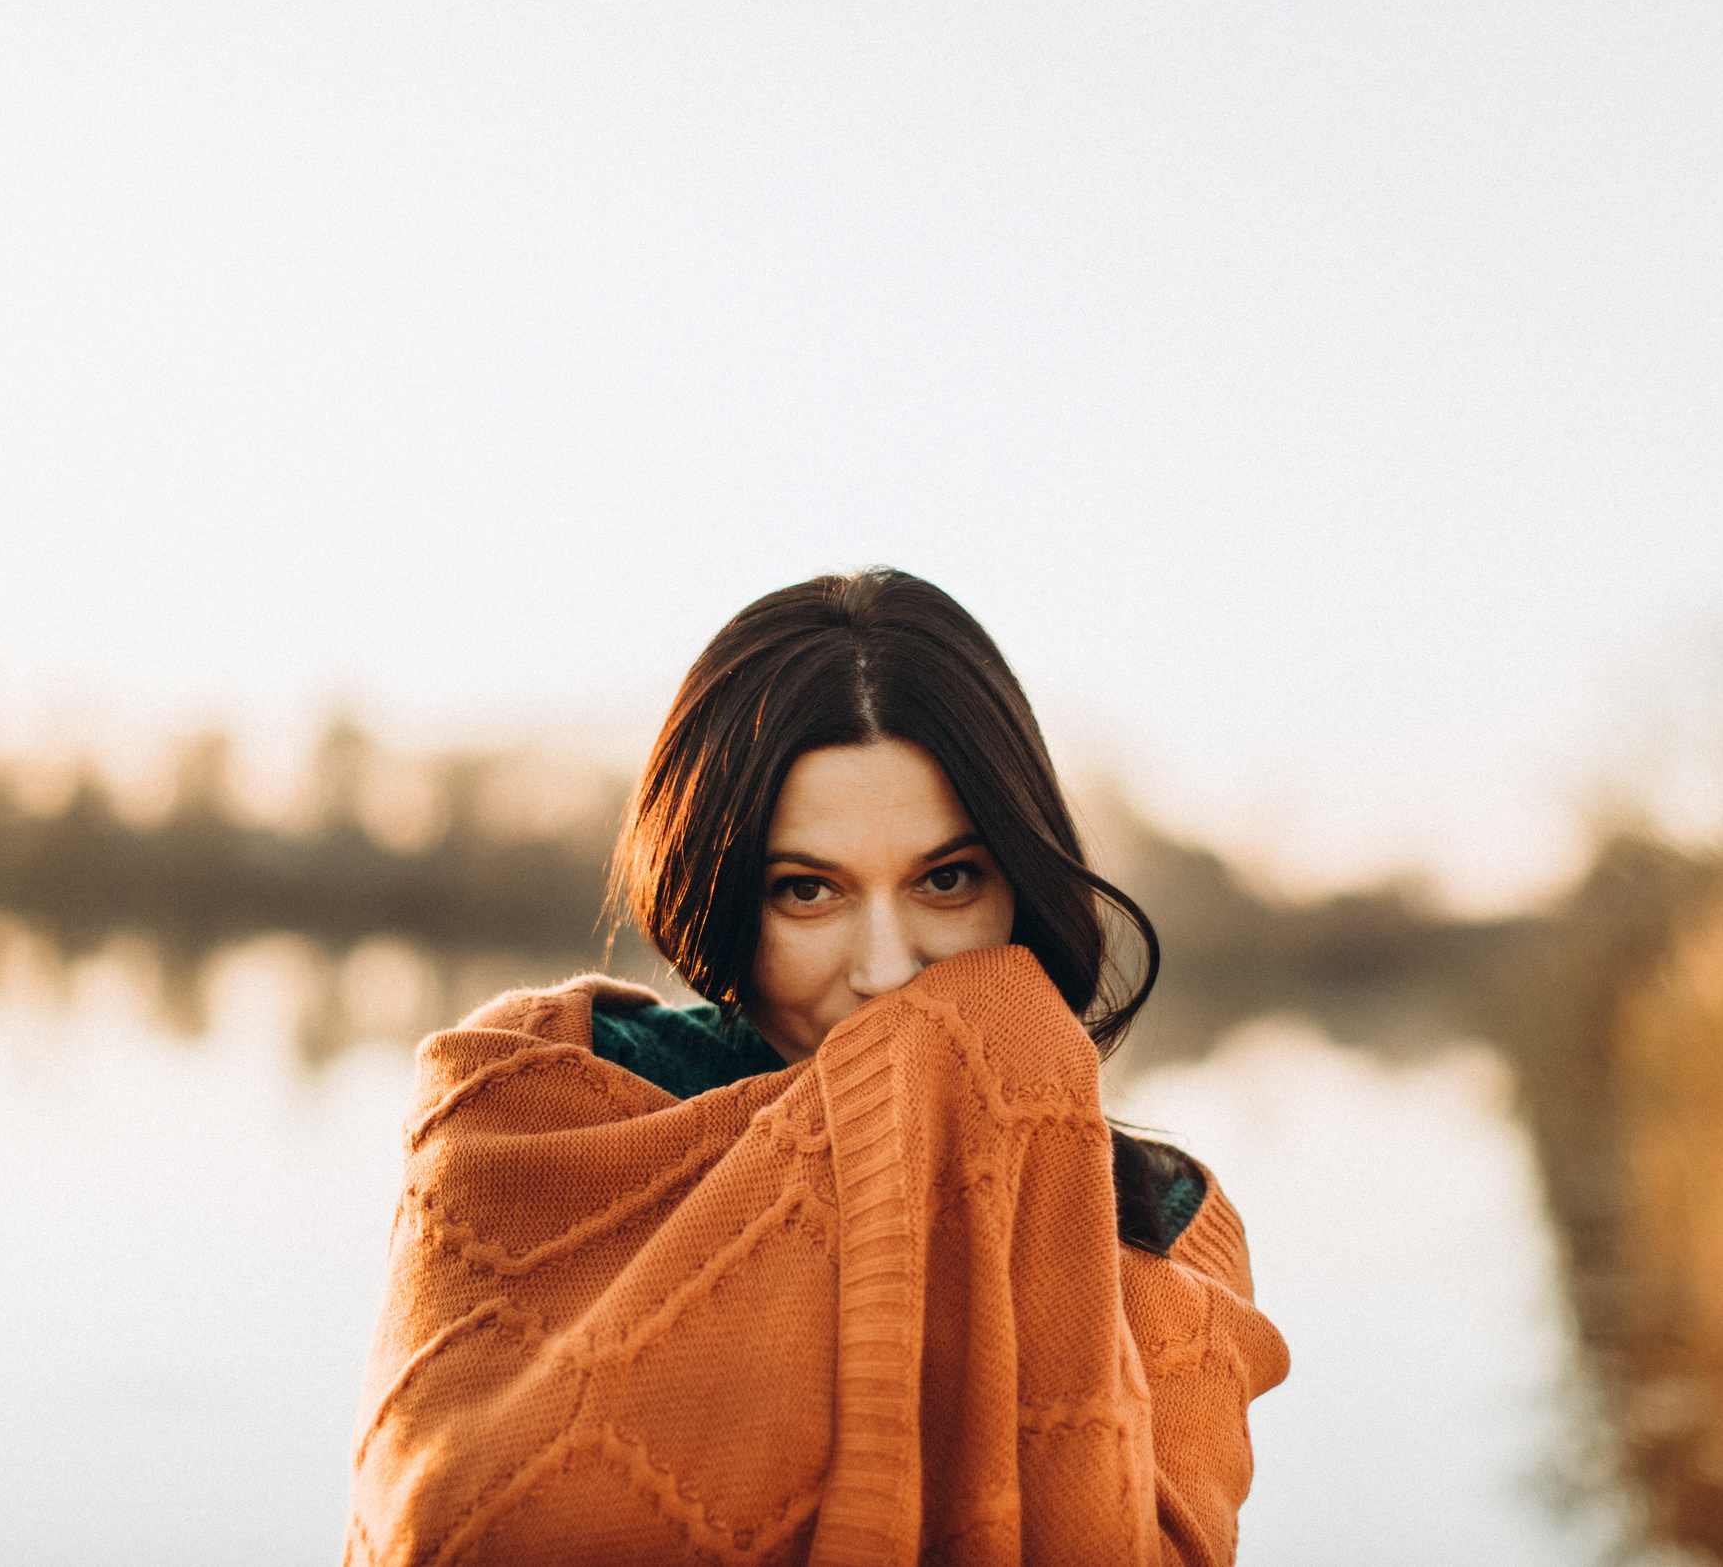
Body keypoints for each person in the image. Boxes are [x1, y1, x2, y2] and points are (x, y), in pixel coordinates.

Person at [345, 570, 1289, 1566]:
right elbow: (445, 1530)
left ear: (1022, 881)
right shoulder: (544, 1112)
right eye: (808, 891)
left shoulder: (1153, 1218)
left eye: (947, 878)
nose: (885, 969)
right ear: (719, 899)